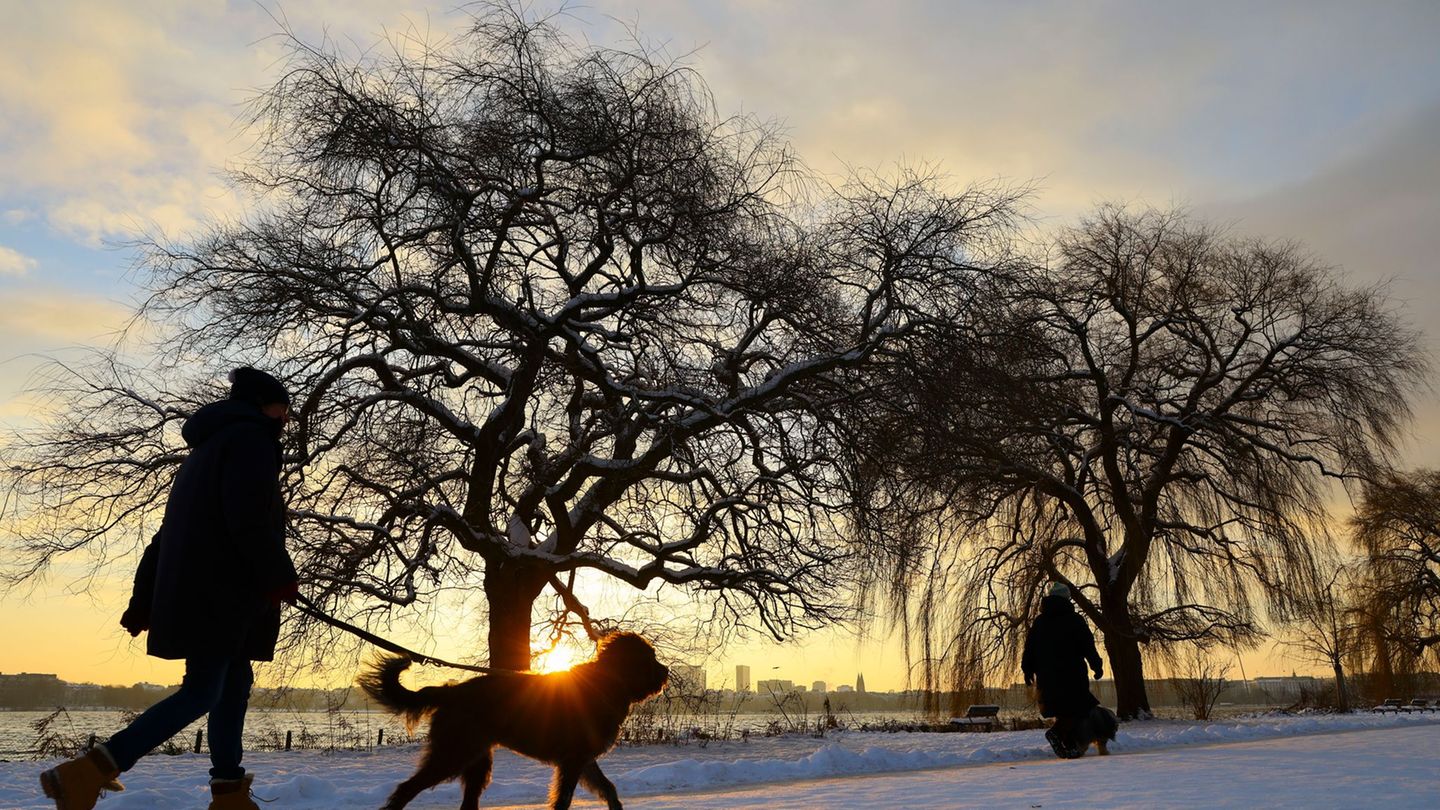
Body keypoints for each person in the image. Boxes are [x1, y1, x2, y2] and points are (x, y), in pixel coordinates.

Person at [41, 367, 299, 810]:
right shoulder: (252, 442)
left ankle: (229, 793)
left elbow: (167, 536)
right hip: (224, 594)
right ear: (264, 407)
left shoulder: (202, 453)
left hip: (208, 593)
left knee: (233, 686)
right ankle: (90, 770)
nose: (286, 418)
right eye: (282, 409)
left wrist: (143, 602)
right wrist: (278, 573)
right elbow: (249, 520)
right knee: (203, 690)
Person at [1021, 582, 1104, 755]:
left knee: (1063, 710)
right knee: (1079, 708)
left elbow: (1030, 647)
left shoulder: (1040, 622)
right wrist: (1096, 666)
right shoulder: (1074, 620)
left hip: (1046, 675)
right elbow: (1087, 646)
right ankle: (1056, 734)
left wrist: (1027, 669)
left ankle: (1070, 746)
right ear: (1067, 599)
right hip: (1071, 674)